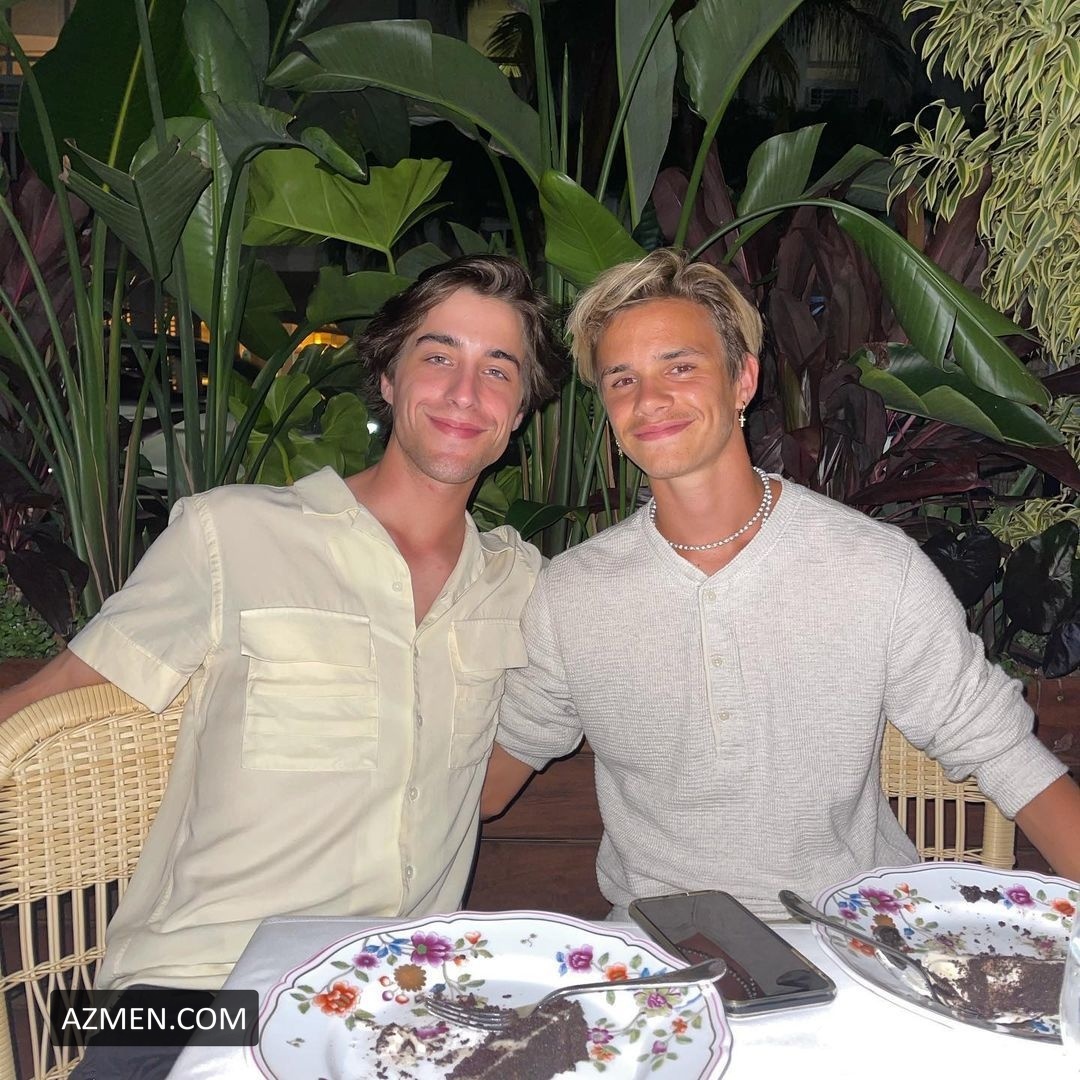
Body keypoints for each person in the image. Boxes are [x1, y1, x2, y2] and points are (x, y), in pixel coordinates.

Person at [0, 254, 562, 1078]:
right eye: (438, 356)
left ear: (519, 411)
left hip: (390, 1006)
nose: (464, 392)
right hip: (193, 993)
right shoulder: (232, 535)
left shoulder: (521, 586)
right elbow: (40, 708)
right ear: (388, 378)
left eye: (498, 370)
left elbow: (490, 783)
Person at [482, 248, 1080, 922]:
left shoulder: (874, 569)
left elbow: (1004, 752)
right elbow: (493, 777)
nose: (649, 400)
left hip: (850, 935)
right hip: (662, 948)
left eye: (680, 367)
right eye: (623, 380)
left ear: (743, 380)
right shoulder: (572, 594)